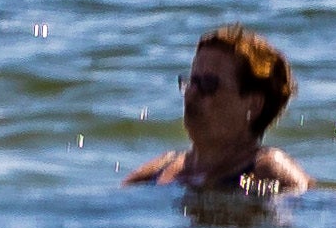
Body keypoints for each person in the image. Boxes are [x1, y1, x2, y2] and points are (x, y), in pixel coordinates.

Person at [125, 23, 310, 193]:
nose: (192, 93)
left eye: (208, 84)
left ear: (254, 104)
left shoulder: (268, 170)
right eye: (192, 82)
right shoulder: (161, 169)